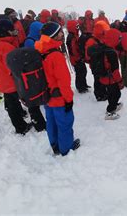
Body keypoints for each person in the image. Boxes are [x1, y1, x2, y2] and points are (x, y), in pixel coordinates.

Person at [0, 20, 45, 134]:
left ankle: (20, 127)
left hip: (0, 81)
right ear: (6, 31)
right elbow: (14, 67)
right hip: (14, 81)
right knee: (31, 103)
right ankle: (40, 125)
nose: (15, 32)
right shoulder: (5, 47)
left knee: (11, 105)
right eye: (12, 30)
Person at [35, 22, 80, 155]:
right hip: (59, 97)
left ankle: (55, 145)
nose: (62, 34)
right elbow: (63, 81)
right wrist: (68, 99)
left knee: (51, 122)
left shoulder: (40, 50)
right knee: (64, 123)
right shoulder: (55, 55)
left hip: (46, 96)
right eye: (60, 32)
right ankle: (66, 148)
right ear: (53, 35)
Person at [66, 20, 88, 93]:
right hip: (76, 59)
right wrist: (79, 57)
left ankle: (84, 85)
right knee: (80, 73)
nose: (78, 28)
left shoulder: (74, 35)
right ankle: (80, 87)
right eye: (76, 26)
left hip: (77, 58)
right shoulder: (71, 37)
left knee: (83, 71)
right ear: (72, 27)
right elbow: (73, 50)